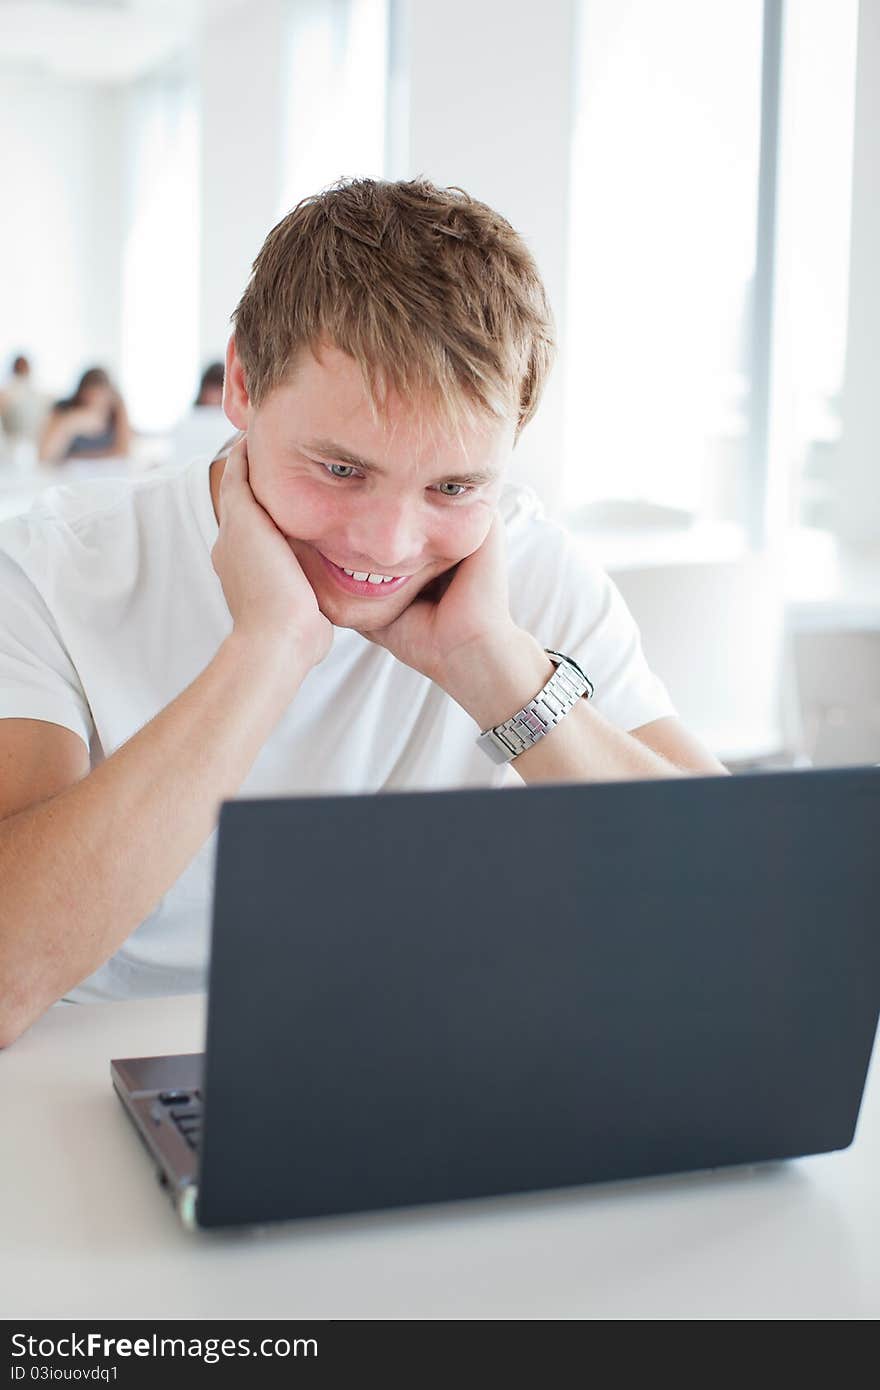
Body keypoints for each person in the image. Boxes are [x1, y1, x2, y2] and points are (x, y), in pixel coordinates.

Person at [0, 178, 725, 1046]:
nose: (386, 543)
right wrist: (266, 653)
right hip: (102, 1071)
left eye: (453, 486)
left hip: (422, 1057)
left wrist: (494, 668)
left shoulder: (529, 569)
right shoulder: (49, 568)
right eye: (341, 470)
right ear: (241, 383)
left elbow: (740, 911)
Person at [38, 366, 132, 463]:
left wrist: (79, 458)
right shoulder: (63, 408)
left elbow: (124, 452)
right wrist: (70, 423)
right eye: (89, 397)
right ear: (80, 394)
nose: (94, 402)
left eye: (99, 397)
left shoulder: (117, 409)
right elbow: (44, 457)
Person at [167, 360, 232, 465]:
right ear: (203, 390)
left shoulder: (233, 424)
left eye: (219, 389)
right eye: (212, 389)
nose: (215, 396)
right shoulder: (188, 423)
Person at [0, 354, 51, 450]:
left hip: (35, 441)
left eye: (24, 365)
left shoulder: (38, 393)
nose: (22, 368)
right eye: (20, 365)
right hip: (13, 443)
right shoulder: (7, 392)